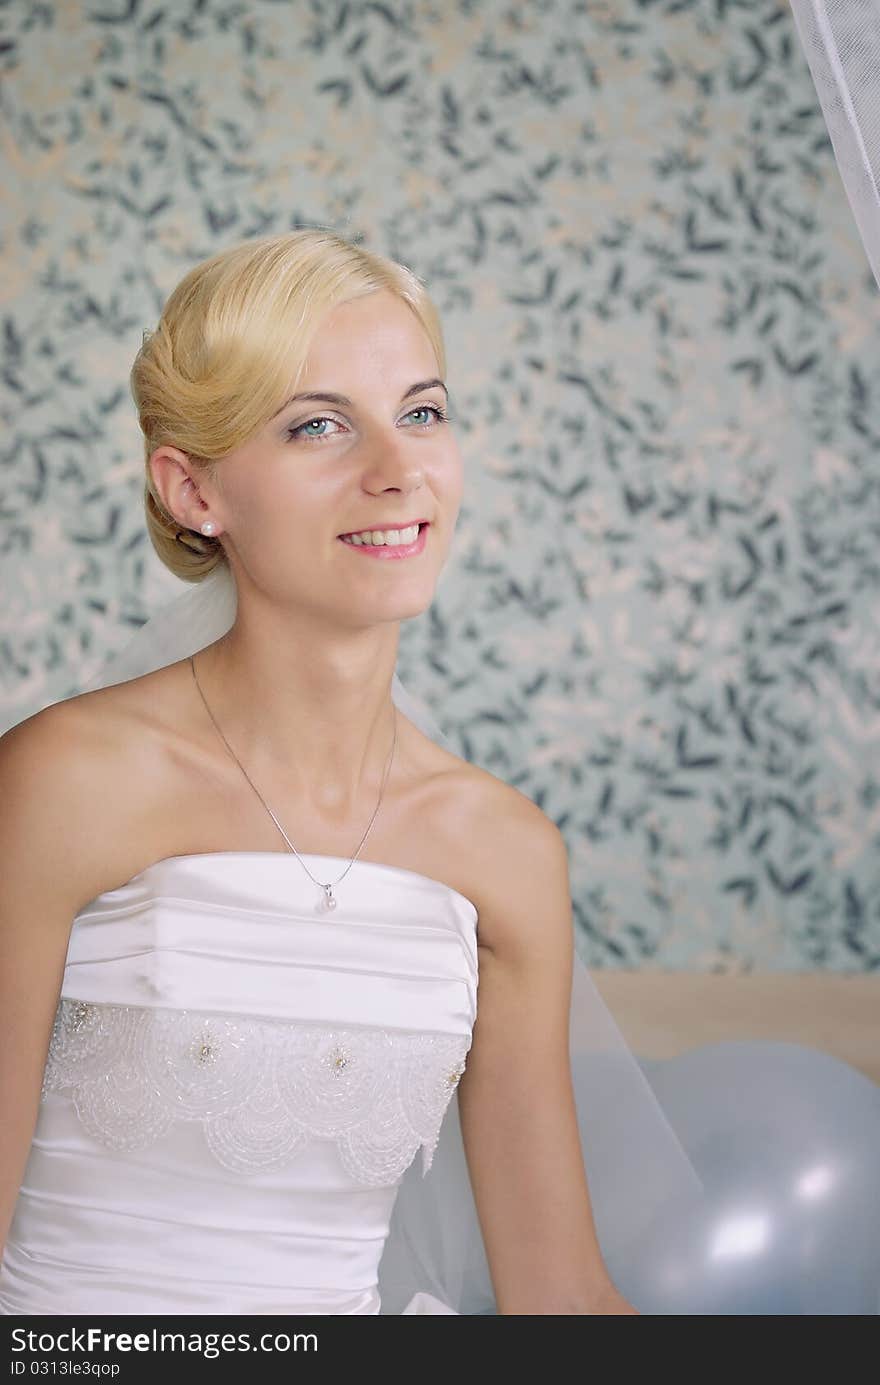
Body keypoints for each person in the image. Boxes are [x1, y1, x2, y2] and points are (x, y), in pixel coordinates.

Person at [0, 228, 704, 1316]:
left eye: (421, 411)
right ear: (193, 492)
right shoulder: (66, 780)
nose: (397, 469)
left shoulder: (505, 850)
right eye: (318, 424)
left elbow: (558, 1293)